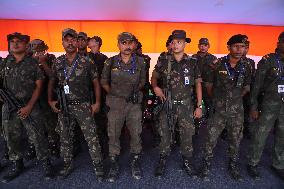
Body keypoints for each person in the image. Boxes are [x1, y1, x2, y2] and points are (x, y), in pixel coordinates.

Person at [48, 28, 104, 181]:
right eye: (67, 40)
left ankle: (98, 166)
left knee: (91, 137)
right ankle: (67, 164)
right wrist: (50, 100)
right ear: (62, 43)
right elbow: (52, 81)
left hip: (83, 105)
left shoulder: (87, 61)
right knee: (65, 138)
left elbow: (96, 83)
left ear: (78, 42)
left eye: (73, 39)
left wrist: (97, 102)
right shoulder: (57, 62)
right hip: (64, 106)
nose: (70, 42)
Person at [0, 32, 54, 183]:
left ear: (25, 45)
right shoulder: (4, 63)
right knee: (11, 137)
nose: (15, 44)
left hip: (30, 106)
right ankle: (17, 164)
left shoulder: (32, 63)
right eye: (13, 41)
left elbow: (38, 86)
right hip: (9, 108)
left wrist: (29, 106)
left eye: (19, 41)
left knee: (37, 136)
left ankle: (46, 164)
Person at [199, 34, 252, 181]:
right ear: (228, 47)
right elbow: (208, 85)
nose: (239, 49)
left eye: (242, 46)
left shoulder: (247, 65)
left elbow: (247, 86)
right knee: (211, 137)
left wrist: (235, 98)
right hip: (219, 110)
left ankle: (233, 164)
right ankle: (206, 164)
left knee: (235, 139)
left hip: (237, 111)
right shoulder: (218, 64)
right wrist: (218, 100)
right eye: (236, 46)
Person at [151, 30, 202, 178]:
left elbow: (198, 85)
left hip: (186, 105)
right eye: (173, 42)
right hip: (168, 103)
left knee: (187, 134)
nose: (175, 44)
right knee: (164, 132)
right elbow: (154, 77)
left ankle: (187, 160)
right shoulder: (163, 60)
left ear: (185, 43)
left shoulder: (193, 62)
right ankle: (163, 158)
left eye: (179, 42)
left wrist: (199, 106)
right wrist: (155, 87)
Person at [101, 32, 146, 182]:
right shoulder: (110, 62)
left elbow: (142, 82)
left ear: (134, 44)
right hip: (115, 104)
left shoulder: (140, 62)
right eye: (123, 43)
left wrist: (132, 93)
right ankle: (114, 164)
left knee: (136, 133)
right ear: (118, 44)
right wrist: (114, 93)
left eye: (129, 43)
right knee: (113, 133)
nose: (127, 46)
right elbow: (104, 81)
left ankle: (135, 161)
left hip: (133, 105)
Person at [247, 31, 284, 180]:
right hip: (268, 105)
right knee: (260, 135)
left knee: (282, 136)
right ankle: (253, 163)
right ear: (278, 43)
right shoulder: (268, 60)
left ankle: (278, 164)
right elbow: (257, 85)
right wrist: (254, 106)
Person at [29, 39, 60, 158]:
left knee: (50, 122)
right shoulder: (28, 60)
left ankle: (53, 145)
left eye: (38, 46)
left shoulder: (51, 57)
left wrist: (43, 62)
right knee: (33, 123)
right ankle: (33, 145)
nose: (36, 49)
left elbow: (53, 76)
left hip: (47, 94)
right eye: (33, 46)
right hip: (32, 96)